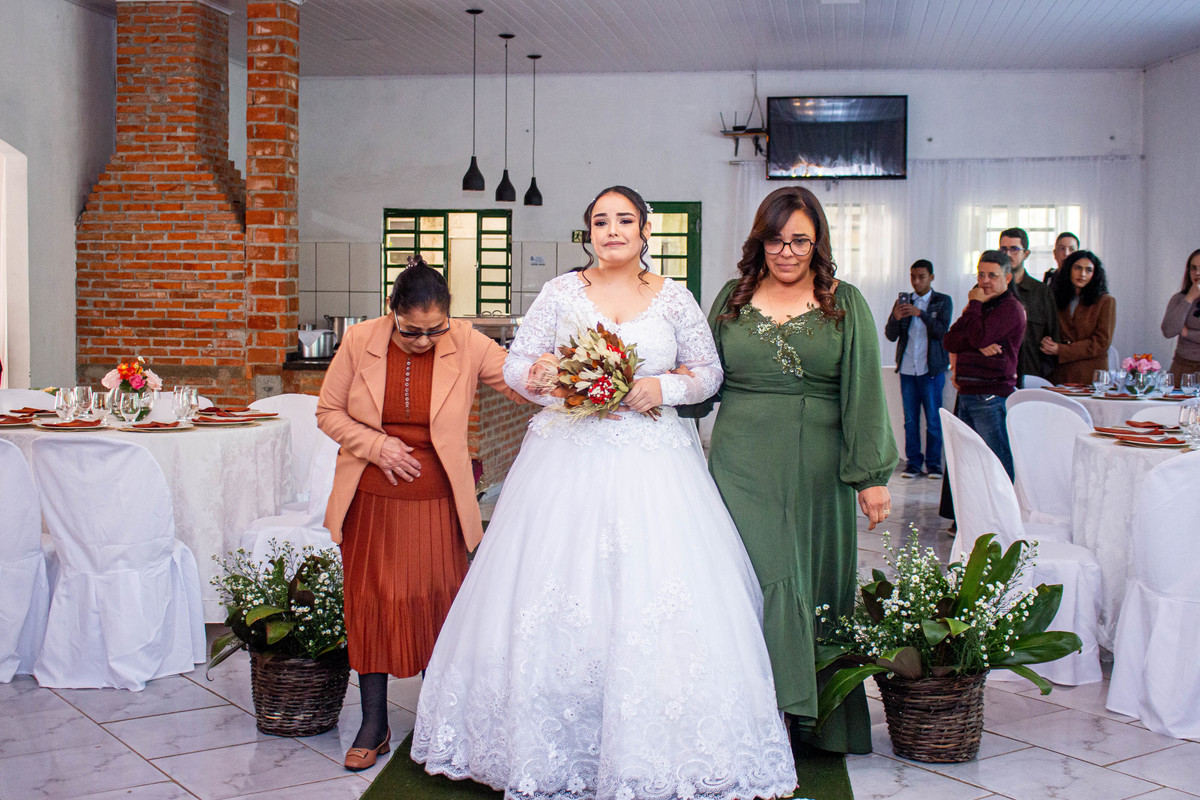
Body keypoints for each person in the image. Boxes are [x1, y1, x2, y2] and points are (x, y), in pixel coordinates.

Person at [412, 186, 798, 800]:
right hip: (567, 455)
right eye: (600, 221)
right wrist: (547, 379)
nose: (612, 230)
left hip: (654, 460)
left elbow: (708, 372)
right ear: (587, 232)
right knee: (558, 586)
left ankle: (656, 741)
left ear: (645, 230)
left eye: (624, 220)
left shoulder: (673, 297)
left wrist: (661, 389)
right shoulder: (560, 293)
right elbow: (516, 364)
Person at [689, 185, 896, 756]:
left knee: (813, 580)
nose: (787, 252)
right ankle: (754, 717)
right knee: (751, 579)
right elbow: (702, 379)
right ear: (760, 241)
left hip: (818, 470)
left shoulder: (844, 302)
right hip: (741, 463)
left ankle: (813, 719)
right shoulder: (732, 297)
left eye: (800, 241)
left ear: (817, 242)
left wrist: (871, 475)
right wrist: (644, 394)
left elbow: (864, 391)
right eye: (776, 240)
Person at [316, 257, 526, 770]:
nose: (425, 341)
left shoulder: (468, 342)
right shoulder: (359, 341)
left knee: (440, 606)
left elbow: (521, 383)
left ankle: (439, 722)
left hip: (439, 502)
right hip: (371, 499)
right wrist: (376, 445)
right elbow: (328, 412)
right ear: (392, 312)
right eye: (412, 331)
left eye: (436, 330)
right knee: (371, 602)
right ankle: (374, 723)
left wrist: (583, 382)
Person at [944, 250, 1027, 480]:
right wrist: (978, 344)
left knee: (996, 463)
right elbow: (949, 340)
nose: (985, 281)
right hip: (968, 394)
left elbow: (979, 336)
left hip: (990, 396)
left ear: (1007, 278)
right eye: (981, 275)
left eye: (992, 275)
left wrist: (974, 306)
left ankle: (1003, 506)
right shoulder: (980, 307)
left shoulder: (1010, 308)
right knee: (969, 465)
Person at [885, 259, 952, 479]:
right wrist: (896, 318)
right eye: (913, 277)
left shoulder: (942, 301)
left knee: (933, 419)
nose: (916, 281)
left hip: (930, 369)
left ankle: (934, 464)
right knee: (910, 420)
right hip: (907, 368)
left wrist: (920, 314)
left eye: (921, 277)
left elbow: (942, 332)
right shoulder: (903, 302)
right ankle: (913, 463)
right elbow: (890, 335)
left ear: (931, 277)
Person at [1040, 250, 1115, 385]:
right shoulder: (1055, 298)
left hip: (1090, 374)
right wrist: (1047, 342)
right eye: (1077, 268)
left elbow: (1101, 343)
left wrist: (1061, 349)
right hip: (1060, 372)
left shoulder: (1105, 301)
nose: (1082, 274)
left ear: (1095, 274)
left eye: (1089, 270)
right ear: (1069, 270)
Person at [999, 227, 1057, 386]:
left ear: (1026, 254)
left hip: (1032, 374)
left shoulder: (1041, 292)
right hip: (996, 375)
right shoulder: (988, 289)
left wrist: (1043, 372)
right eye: (1003, 249)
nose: (1008, 254)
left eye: (1014, 249)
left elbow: (1052, 336)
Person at [1160, 248, 1200, 388]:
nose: (1197, 273)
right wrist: (1189, 298)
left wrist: (1186, 332)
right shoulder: (1178, 299)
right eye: (1193, 268)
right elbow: (1168, 331)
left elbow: (1180, 330)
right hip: (1181, 368)